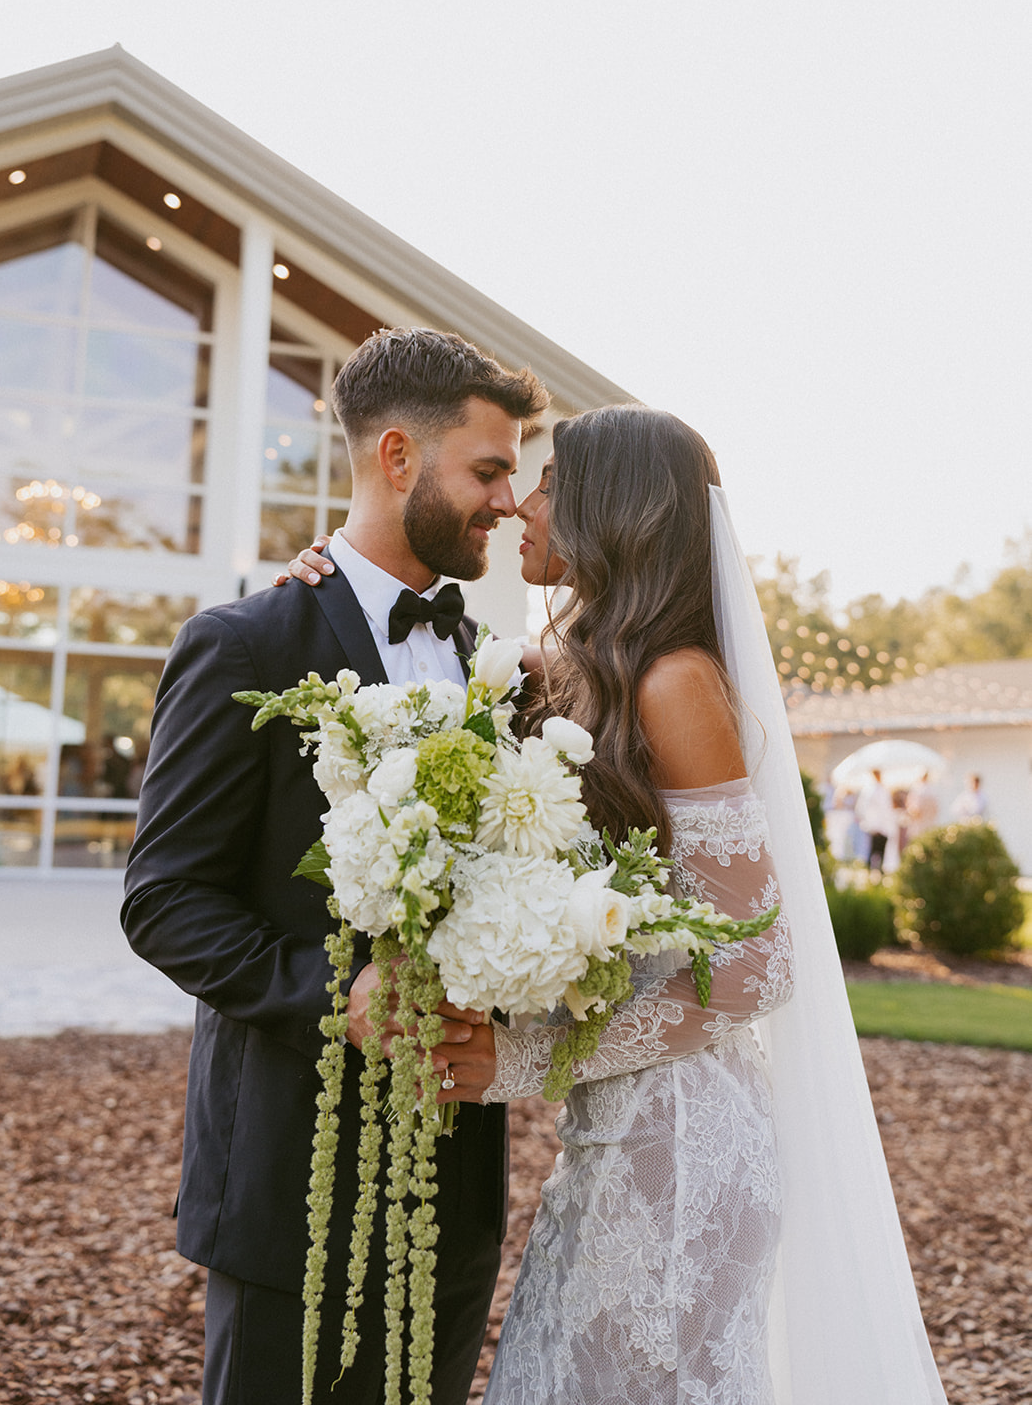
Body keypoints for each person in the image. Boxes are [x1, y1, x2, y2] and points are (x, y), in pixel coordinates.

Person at [285, 404, 947, 1404]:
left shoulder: (674, 684)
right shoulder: (568, 673)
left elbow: (754, 965)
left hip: (684, 1141)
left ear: (614, 510)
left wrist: (526, 1057)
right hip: (609, 1129)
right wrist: (321, 581)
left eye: (548, 485)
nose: (521, 505)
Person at [121, 327, 549, 1405]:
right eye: (488, 469)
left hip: (454, 1190)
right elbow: (166, 899)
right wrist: (336, 991)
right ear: (397, 456)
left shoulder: (490, 668)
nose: (506, 500)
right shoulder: (245, 643)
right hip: (288, 1184)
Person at [855, 767, 894, 871]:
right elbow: (863, 808)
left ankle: (879, 869)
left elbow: (886, 808)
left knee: (880, 848)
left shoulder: (882, 790)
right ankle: (870, 868)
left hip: (882, 825)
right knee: (872, 848)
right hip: (873, 825)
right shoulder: (869, 790)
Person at [905, 769, 939, 838]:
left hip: (921, 823)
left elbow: (914, 808)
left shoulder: (918, 789)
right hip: (926, 822)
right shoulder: (932, 789)